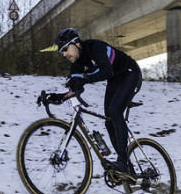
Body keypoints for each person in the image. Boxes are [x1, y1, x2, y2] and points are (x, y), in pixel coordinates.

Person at [40, 28, 142, 174]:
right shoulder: (76, 64)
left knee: (114, 111)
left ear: (76, 44)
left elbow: (107, 71)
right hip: (114, 81)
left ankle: (123, 161)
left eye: (65, 49)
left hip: (130, 73)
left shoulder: (95, 47)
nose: (64, 54)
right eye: (61, 52)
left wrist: (85, 78)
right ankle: (127, 168)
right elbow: (74, 89)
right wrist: (55, 97)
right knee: (109, 120)